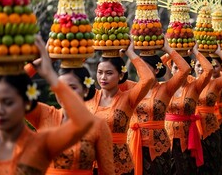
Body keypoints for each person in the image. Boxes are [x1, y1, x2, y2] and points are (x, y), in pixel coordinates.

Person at [0, 36, 94, 174]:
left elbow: (84, 121)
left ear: (26, 102)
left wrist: (49, 73)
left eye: (8, 103)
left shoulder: (40, 144)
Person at [24, 64, 114, 175]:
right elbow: (11, 87)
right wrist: (37, 65)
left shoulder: (98, 126)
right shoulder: (44, 114)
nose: (64, 93)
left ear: (85, 90)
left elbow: (107, 171)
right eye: (60, 87)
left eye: (72, 88)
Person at [85, 40, 155, 175]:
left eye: (109, 73)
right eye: (100, 72)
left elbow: (148, 79)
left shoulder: (128, 98)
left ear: (121, 75)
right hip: (91, 163)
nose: (103, 77)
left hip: (119, 165)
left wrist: (130, 53)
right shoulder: (89, 96)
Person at [128, 38, 190, 175]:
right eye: (139, 67)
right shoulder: (130, 87)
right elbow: (114, 77)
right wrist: (129, 52)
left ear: (156, 70)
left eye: (144, 67)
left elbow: (185, 69)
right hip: (134, 144)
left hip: (158, 146)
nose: (141, 71)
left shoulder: (165, 89)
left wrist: (168, 49)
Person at [164, 45, 213, 175]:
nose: (180, 72)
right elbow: (151, 70)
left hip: (187, 137)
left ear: (189, 70)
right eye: (176, 68)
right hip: (166, 137)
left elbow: (208, 70)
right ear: (171, 68)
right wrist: (169, 50)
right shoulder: (164, 88)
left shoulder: (195, 87)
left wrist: (196, 52)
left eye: (183, 69)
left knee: (187, 170)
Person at [196, 45, 222, 175]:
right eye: (197, 65)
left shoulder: (216, 83)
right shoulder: (190, 82)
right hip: (193, 129)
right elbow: (170, 66)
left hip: (213, 126)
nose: (200, 68)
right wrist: (170, 50)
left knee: (213, 162)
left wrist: (221, 52)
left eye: (203, 66)